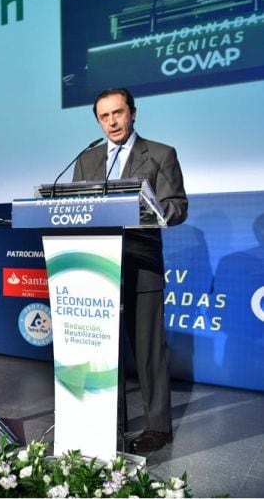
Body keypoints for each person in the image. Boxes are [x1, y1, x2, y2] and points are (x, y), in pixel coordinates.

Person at [72, 87, 188, 453]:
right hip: (99, 266)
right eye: (104, 116)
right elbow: (76, 207)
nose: (112, 122)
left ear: (133, 113)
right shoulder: (87, 159)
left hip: (142, 263)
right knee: (104, 349)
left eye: (118, 113)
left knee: (149, 350)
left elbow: (178, 206)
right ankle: (111, 422)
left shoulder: (160, 154)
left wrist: (148, 212)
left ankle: (158, 427)